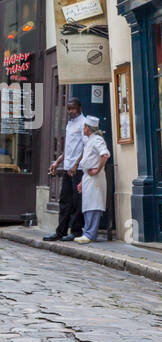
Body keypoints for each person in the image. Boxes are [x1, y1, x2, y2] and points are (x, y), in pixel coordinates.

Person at [47, 99, 86, 240]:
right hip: (67, 167)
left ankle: (76, 231)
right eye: (68, 109)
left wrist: (76, 165)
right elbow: (68, 149)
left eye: (73, 109)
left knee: (77, 202)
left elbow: (86, 147)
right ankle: (60, 231)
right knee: (64, 200)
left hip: (78, 169)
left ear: (79, 108)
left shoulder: (84, 124)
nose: (70, 111)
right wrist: (57, 162)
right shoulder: (70, 124)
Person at [74, 117, 111, 245]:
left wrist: (98, 170)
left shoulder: (97, 140)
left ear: (88, 129)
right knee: (88, 205)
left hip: (95, 178)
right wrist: (82, 182)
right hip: (88, 177)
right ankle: (88, 232)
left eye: (84, 127)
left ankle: (90, 234)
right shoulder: (89, 140)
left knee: (94, 205)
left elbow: (105, 155)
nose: (83, 129)